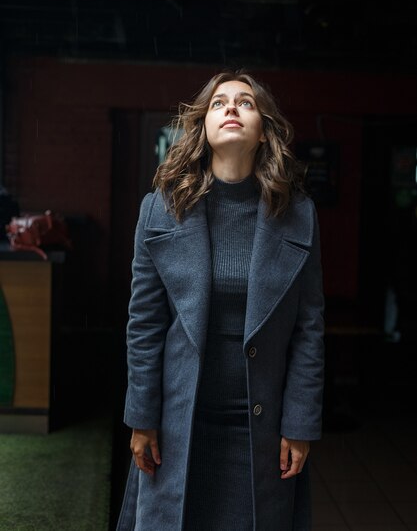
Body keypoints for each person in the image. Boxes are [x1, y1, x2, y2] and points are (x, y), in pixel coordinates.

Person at [116, 71, 325, 531]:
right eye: (219, 103)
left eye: (246, 102)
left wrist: (300, 423)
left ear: (265, 130)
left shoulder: (298, 214)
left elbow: (309, 329)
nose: (231, 108)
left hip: (261, 430)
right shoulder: (161, 207)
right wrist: (141, 418)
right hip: (178, 424)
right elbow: (145, 323)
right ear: (203, 128)